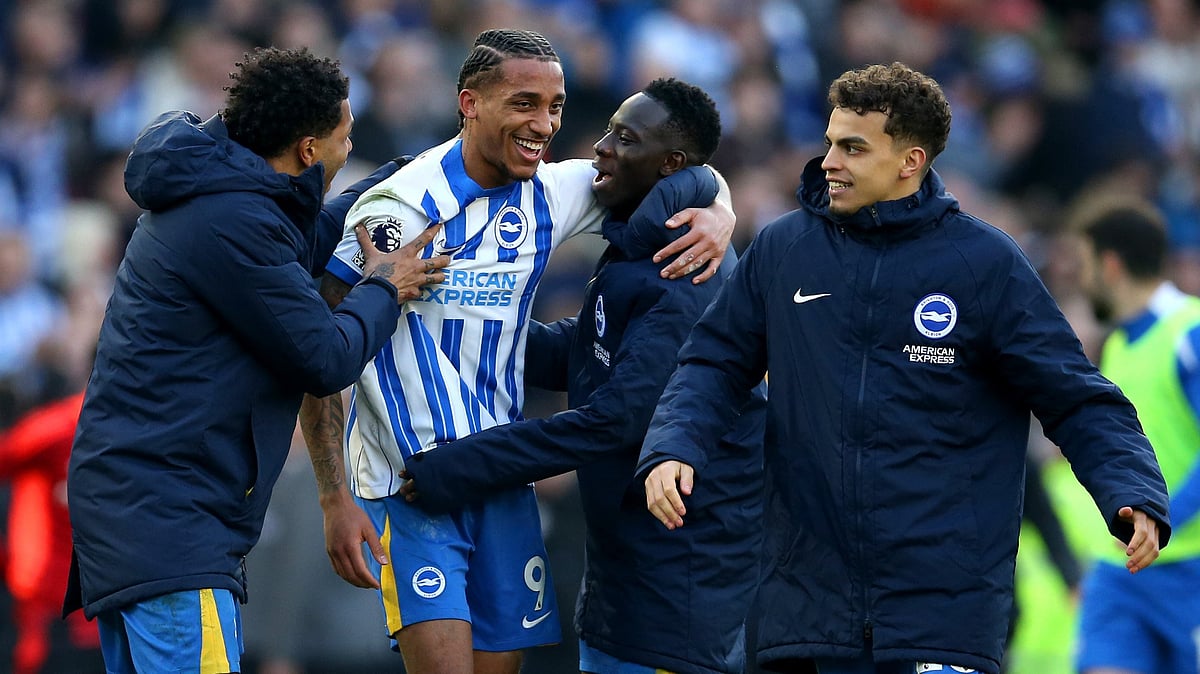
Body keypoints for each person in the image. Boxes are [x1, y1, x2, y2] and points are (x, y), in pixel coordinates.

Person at [639, 61, 1171, 674]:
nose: (829, 161)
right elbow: (712, 361)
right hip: (806, 608)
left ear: (910, 162)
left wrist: (1129, 489)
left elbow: (1075, 398)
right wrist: (675, 444)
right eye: (830, 143)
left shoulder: (984, 265)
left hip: (941, 616)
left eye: (853, 148)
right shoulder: (785, 251)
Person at [299, 30, 735, 674]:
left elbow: (677, 161)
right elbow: (321, 348)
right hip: (410, 483)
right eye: (525, 103)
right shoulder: (401, 207)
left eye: (555, 106)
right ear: (470, 103)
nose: (545, 124)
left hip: (503, 482)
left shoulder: (552, 192)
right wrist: (335, 496)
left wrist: (718, 207)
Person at [64, 46, 450, 674]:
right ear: (306, 149)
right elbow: (325, 358)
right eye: (345, 138)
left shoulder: (228, 196)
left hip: (145, 518)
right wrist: (387, 284)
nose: (349, 151)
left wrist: (421, 173)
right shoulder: (234, 221)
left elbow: (306, 235)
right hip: (172, 527)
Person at [397, 77, 766, 674]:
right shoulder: (638, 246)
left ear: (670, 164)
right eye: (607, 131)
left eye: (625, 138)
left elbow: (616, 420)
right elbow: (586, 350)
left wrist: (462, 465)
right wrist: (449, 321)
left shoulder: (686, 272)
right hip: (630, 586)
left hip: (680, 597)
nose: (601, 147)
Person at [1073, 198, 1200, 674]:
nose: (1081, 280)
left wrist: (1162, 520)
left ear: (1110, 265)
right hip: (1120, 572)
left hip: (1189, 573)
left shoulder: (1190, 334)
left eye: (1084, 265)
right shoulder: (1119, 345)